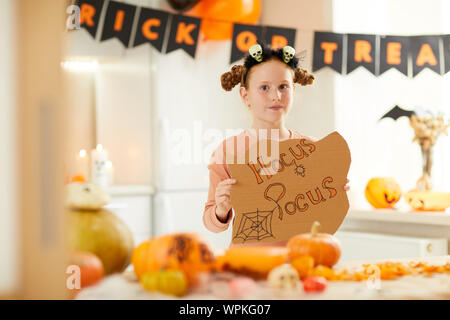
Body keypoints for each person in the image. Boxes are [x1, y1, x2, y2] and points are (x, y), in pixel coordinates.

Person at [203, 42, 349, 246]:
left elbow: (321, 211)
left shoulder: (313, 149)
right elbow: (211, 223)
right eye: (264, 88)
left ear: (293, 90)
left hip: (300, 260)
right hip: (251, 263)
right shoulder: (229, 151)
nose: (275, 96)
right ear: (245, 95)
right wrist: (220, 209)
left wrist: (334, 190)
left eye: (283, 87)